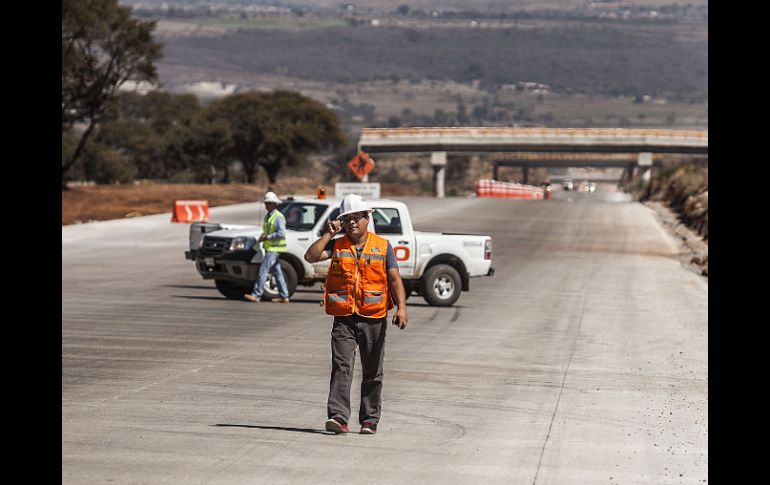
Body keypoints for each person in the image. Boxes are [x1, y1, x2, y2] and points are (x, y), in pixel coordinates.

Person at [304, 194, 408, 435]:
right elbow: (310, 257)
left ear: (367, 219)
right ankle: (339, 417)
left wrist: (401, 308)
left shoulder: (383, 246)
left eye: (357, 218)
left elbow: (394, 279)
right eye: (347, 219)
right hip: (344, 317)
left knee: (372, 370)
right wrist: (329, 233)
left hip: (374, 316)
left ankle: (370, 419)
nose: (352, 223)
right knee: (341, 366)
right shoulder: (337, 244)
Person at [244, 192, 290, 303]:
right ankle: (284, 296)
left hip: (274, 249)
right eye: (266, 203)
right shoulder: (269, 216)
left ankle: (256, 295)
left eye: (269, 203)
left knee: (263, 270)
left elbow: (281, 233)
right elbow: (267, 231)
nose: (266, 205)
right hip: (271, 248)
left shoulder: (278, 217)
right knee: (277, 272)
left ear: (274, 204)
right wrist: (263, 237)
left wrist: (267, 237)